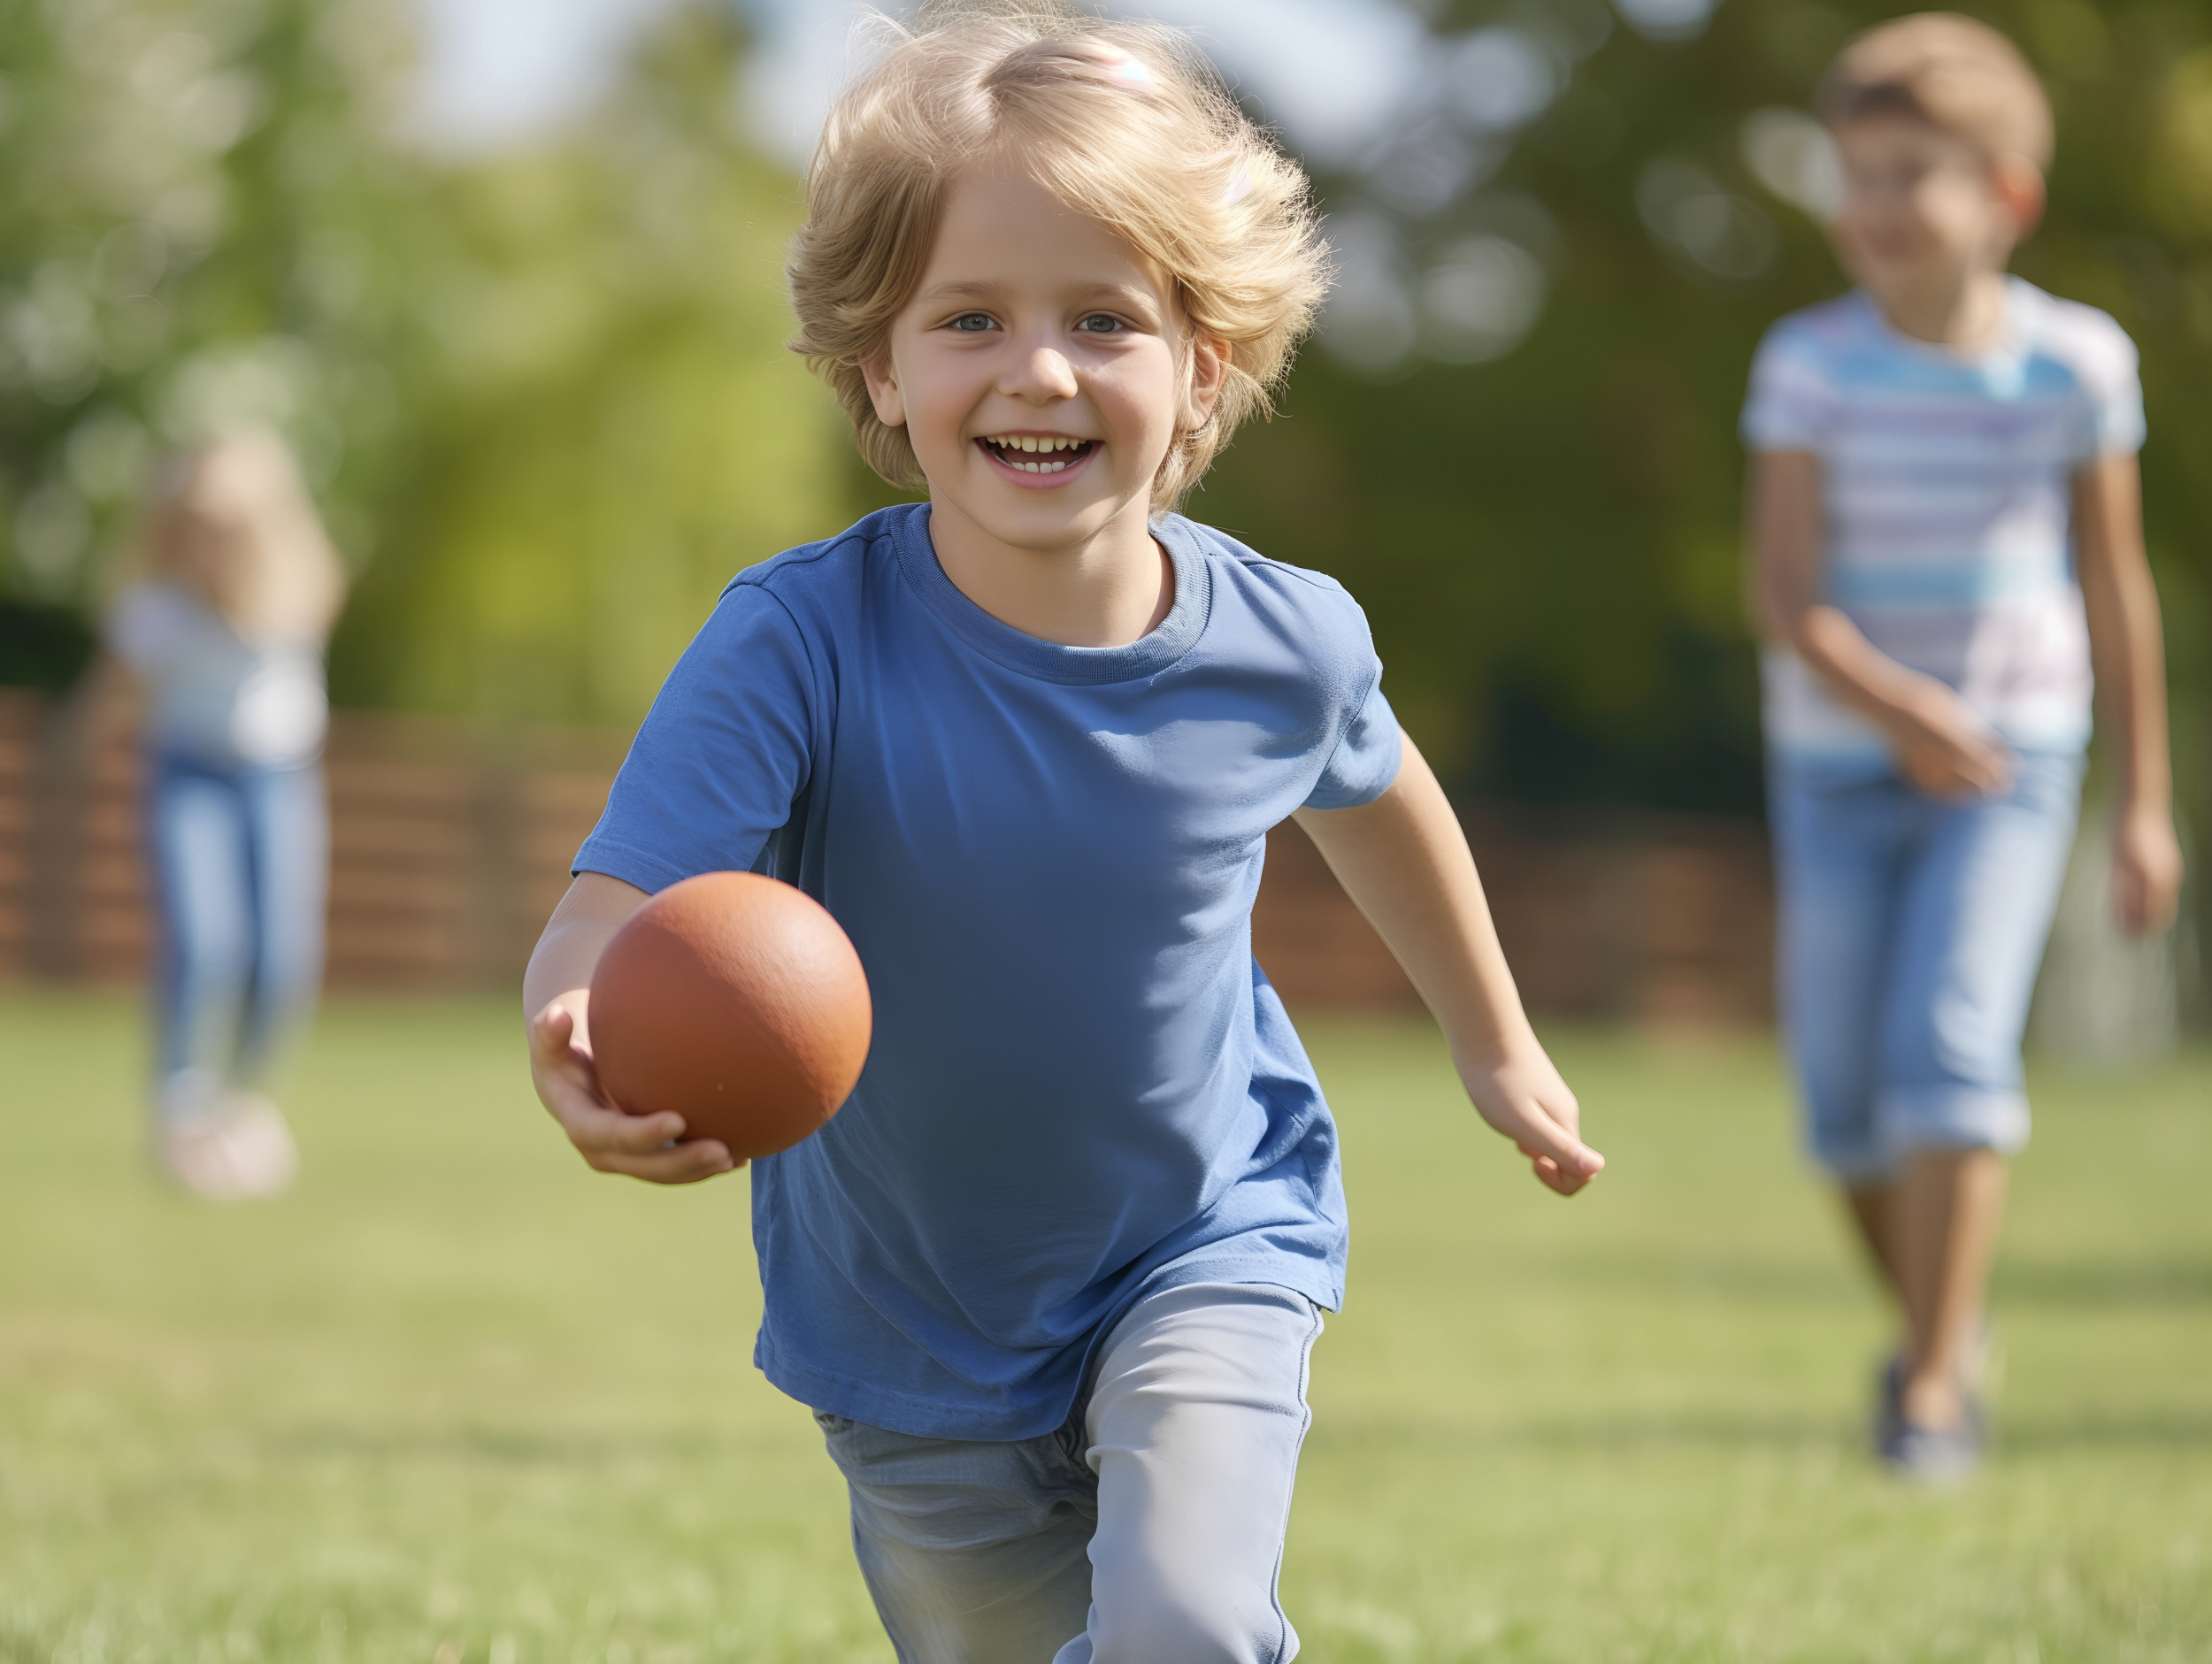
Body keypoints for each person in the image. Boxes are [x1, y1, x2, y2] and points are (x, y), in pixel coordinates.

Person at [523, 8, 1603, 1658]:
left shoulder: (1282, 642)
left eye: (1104, 319)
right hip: (909, 1311)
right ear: (880, 363)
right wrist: (575, 1019)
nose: (1039, 368)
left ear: (1201, 368)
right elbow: (625, 893)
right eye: (971, 319)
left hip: (1203, 1234)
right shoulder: (798, 642)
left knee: (1181, 1623)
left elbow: (1379, 794)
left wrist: (1497, 1042)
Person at [1743, 13, 2184, 1480]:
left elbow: (2116, 590)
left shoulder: (2076, 364)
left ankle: (1930, 1394)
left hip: (2013, 761)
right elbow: (1784, 598)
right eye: (1854, 171)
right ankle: (1945, 1329)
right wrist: (1900, 709)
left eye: (1909, 172)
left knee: (1951, 1052)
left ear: (2006, 195)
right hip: (1842, 764)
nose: (1871, 204)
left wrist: (2144, 809)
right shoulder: (1808, 366)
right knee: (1844, 1116)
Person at [106, 429, 347, 1200]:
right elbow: (116, 688)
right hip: (188, 776)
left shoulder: (295, 592)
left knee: (281, 956)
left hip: (278, 778)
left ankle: (243, 1097)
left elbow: (298, 591)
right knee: (206, 940)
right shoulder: (154, 610)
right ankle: (180, 1105)